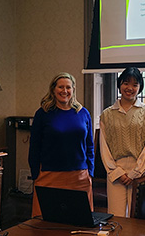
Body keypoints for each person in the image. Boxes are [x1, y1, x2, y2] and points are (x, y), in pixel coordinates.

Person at [29, 72, 95, 218]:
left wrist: (90, 172)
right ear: (53, 89)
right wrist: (35, 173)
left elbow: (90, 146)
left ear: (73, 90)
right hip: (49, 176)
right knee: (45, 222)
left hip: (79, 177)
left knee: (80, 221)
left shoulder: (83, 113)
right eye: (60, 87)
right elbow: (34, 146)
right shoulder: (43, 114)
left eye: (68, 87)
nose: (64, 91)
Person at [98, 67, 145, 217]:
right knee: (115, 218)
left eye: (135, 84)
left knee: (139, 217)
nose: (130, 88)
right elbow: (104, 148)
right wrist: (117, 172)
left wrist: (135, 172)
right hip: (115, 173)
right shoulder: (106, 115)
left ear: (140, 88)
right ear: (119, 85)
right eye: (126, 83)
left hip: (142, 173)